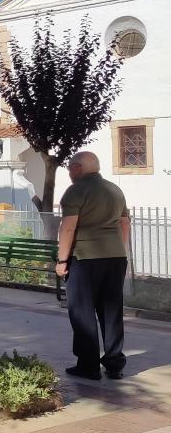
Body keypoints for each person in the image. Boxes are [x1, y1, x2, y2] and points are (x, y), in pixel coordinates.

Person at [56, 151, 130, 381]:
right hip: (116, 257)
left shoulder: (76, 190)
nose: (69, 173)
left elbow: (68, 228)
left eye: (70, 168)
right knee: (111, 310)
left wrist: (62, 261)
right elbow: (124, 223)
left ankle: (88, 366)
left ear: (77, 168)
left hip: (86, 258)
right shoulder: (115, 190)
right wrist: (119, 250)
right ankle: (114, 364)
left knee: (82, 312)